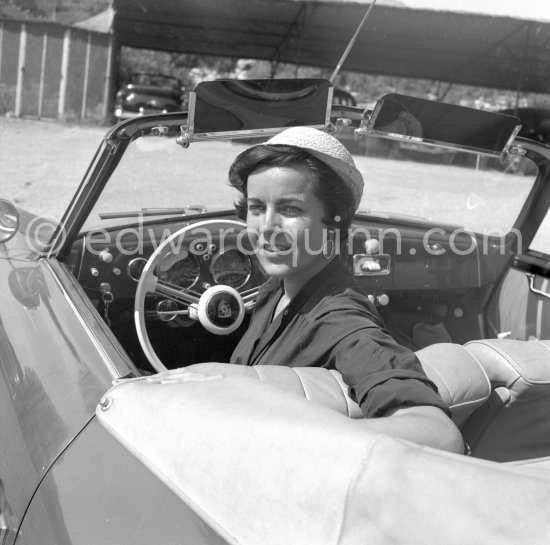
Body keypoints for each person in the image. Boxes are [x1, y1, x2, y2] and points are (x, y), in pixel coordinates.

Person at [227, 126, 463, 454]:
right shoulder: (278, 287)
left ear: (334, 221)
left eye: (290, 209)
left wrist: (285, 439)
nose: (266, 227)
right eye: (256, 208)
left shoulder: (342, 319)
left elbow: (437, 432)